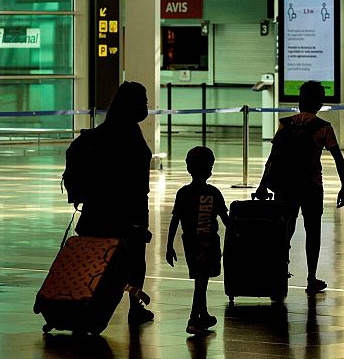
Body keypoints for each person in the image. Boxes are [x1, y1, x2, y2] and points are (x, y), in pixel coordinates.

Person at [255, 80, 344, 295]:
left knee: (284, 230)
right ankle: (311, 278)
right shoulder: (323, 127)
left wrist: (262, 184)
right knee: (312, 231)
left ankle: (278, 272)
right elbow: (338, 158)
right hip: (311, 186)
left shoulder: (285, 124)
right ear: (319, 103)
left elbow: (273, 157)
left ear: (299, 101)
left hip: (285, 185)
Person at [75, 81, 154, 325]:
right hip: (127, 213)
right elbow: (134, 180)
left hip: (96, 211)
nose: (146, 106)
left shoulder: (101, 132)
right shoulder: (129, 134)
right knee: (134, 260)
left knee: (97, 261)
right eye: (143, 101)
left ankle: (82, 301)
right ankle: (135, 307)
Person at [166, 146, 233, 335]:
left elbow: (175, 220)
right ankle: (193, 319)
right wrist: (238, 233)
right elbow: (225, 219)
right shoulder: (214, 193)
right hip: (209, 243)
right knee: (201, 282)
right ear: (210, 170)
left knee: (200, 280)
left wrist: (169, 245)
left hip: (191, 243)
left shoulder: (183, 193)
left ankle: (203, 314)